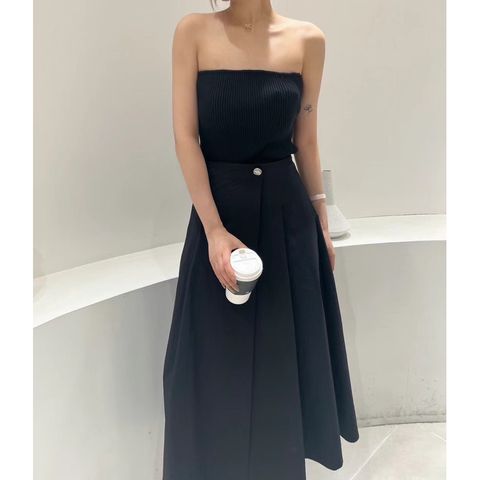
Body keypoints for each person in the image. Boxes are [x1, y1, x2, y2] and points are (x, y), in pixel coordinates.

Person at [162, 2, 359, 479]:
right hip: (220, 217)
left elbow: (305, 140)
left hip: (288, 219)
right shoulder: (193, 32)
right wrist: (213, 230)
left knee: (280, 362)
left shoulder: (308, 40)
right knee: (208, 360)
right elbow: (186, 137)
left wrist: (321, 223)